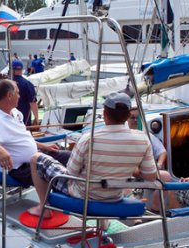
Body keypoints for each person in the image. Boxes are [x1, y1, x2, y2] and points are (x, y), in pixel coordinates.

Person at [28, 92, 158, 217]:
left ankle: (43, 209)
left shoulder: (88, 138)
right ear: (128, 115)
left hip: (83, 194)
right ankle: (102, 221)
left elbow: (71, 173)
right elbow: (150, 176)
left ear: (105, 114)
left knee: (36, 159)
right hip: (115, 195)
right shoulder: (143, 139)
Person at [0, 79, 68, 185]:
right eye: (18, 93)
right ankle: (73, 192)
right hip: (18, 169)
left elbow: (23, 138)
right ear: (9, 95)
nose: (19, 96)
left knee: (68, 156)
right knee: (58, 174)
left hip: (36, 158)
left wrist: (44, 146)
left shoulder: (16, 113)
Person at [11, 60, 39, 126]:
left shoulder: (6, 84)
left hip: (9, 121)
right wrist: (36, 119)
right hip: (24, 121)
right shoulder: (28, 84)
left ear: (12, 69)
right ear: (21, 70)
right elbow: (33, 103)